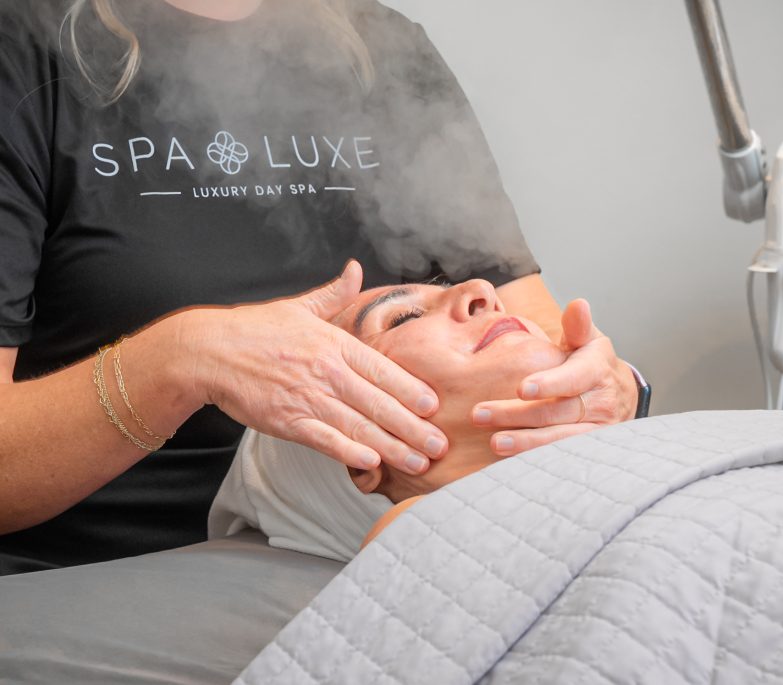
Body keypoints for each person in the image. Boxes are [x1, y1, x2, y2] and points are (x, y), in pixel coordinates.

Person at [0, 0, 639, 574]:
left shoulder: (383, 50)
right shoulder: (24, 46)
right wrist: (183, 358)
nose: (476, 291)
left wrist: (612, 390)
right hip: (96, 575)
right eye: (402, 316)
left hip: (372, 552)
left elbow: (542, 335)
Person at [209, 269, 628, 562]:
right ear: (361, 457)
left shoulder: (639, 433)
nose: (482, 289)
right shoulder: (414, 543)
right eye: (403, 317)